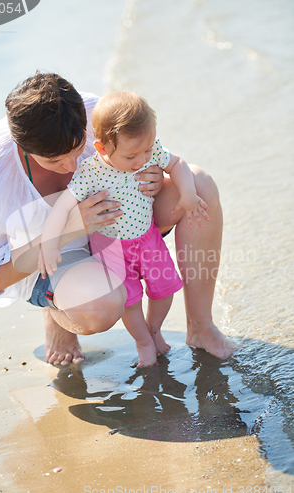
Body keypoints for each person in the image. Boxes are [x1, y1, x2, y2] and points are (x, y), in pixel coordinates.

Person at [0, 71, 239, 367]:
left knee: (199, 186)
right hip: (53, 254)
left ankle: (201, 327)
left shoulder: (98, 113)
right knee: (102, 306)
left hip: (121, 226)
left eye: (78, 148)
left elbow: (150, 154)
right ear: (24, 148)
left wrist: (155, 178)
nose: (72, 165)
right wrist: (69, 230)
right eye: (55, 161)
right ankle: (56, 309)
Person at [38, 91, 211, 367]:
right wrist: (49, 242)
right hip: (112, 248)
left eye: (147, 150)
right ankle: (143, 342)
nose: (143, 159)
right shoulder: (89, 173)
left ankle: (154, 330)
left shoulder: (147, 150)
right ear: (103, 148)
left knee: (165, 289)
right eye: (132, 155)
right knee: (130, 302)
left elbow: (176, 163)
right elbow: (62, 207)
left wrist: (187, 192)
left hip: (148, 238)